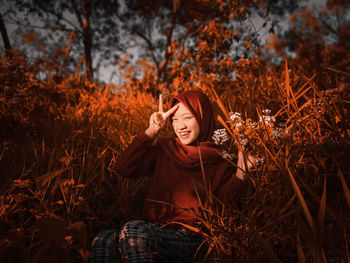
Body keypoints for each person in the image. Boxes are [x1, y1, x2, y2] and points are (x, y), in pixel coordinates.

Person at [90, 90, 253, 263]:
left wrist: (241, 170)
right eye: (175, 119)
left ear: (202, 116)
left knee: (134, 231)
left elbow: (227, 203)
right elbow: (124, 168)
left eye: (188, 118)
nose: (180, 126)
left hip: (194, 238)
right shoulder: (166, 148)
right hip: (155, 230)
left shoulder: (219, 157)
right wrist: (151, 131)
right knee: (104, 239)